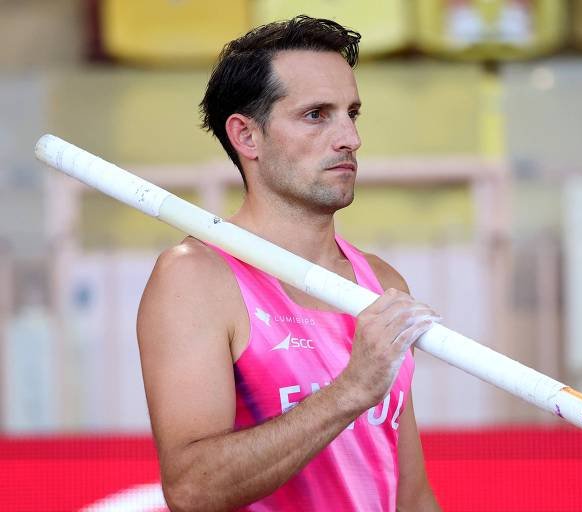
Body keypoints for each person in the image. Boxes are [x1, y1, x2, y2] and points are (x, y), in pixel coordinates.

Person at [136, 15, 442, 512]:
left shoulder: (382, 282)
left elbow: (409, 493)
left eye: (352, 113)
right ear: (246, 136)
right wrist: (350, 391)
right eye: (316, 114)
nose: (350, 138)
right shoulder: (195, 278)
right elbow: (192, 489)